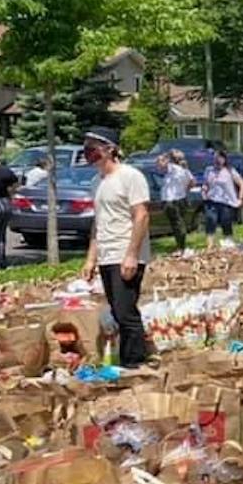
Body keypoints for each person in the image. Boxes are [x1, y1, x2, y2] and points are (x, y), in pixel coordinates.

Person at [79, 128, 151, 367]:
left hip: (126, 253)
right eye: (86, 145)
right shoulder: (95, 182)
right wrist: (91, 259)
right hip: (106, 255)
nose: (88, 151)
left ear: (110, 149)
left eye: (94, 146)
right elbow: (97, 224)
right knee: (117, 310)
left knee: (125, 311)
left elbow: (141, 216)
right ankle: (125, 359)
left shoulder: (130, 176)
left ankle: (135, 362)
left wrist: (132, 255)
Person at [201, 148, 243, 249]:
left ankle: (228, 244)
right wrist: (204, 190)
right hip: (211, 200)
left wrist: (240, 198)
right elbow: (206, 184)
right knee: (210, 221)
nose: (217, 160)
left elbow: (242, 184)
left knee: (226, 223)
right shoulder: (209, 170)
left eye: (219, 158)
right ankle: (210, 246)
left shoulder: (230, 171)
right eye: (215, 158)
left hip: (226, 202)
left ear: (224, 159)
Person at [156, 151, 195, 254]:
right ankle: (181, 246)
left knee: (177, 224)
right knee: (179, 223)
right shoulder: (185, 170)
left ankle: (181, 248)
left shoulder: (172, 168)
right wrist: (185, 190)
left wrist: (165, 156)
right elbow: (192, 182)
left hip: (171, 200)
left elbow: (161, 165)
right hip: (181, 199)